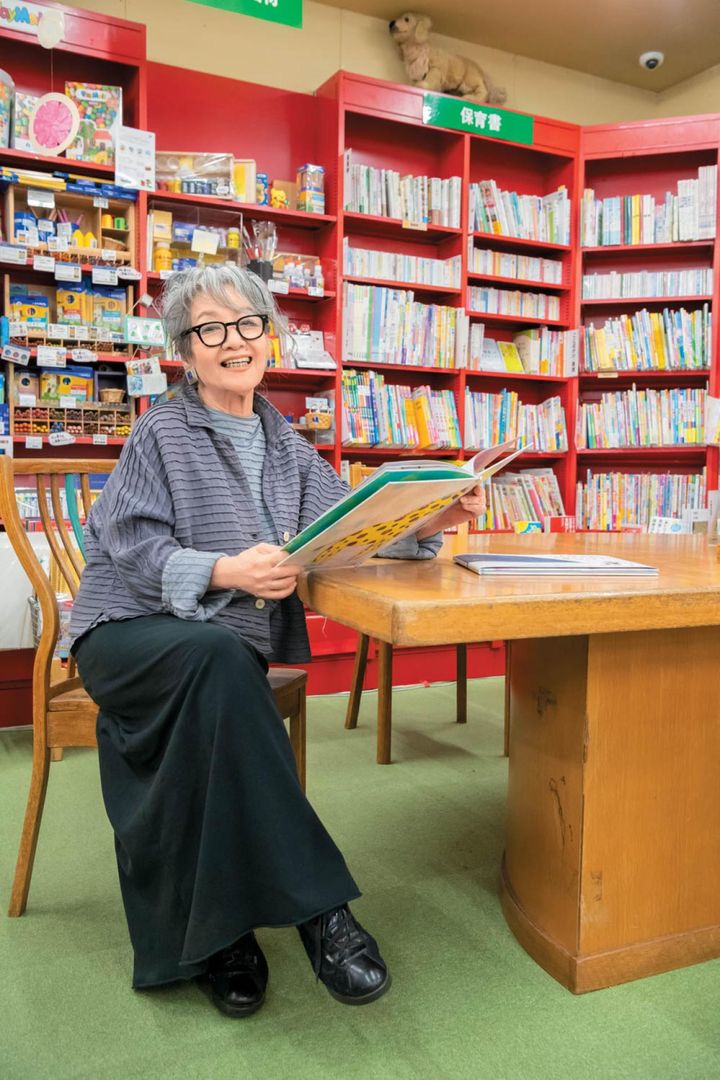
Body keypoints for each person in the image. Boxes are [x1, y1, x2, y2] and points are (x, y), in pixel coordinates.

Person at [69, 264, 486, 1018]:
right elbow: (130, 547)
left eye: (248, 323)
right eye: (210, 329)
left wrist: (432, 519)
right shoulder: (161, 430)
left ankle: (224, 939)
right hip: (125, 635)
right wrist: (225, 568)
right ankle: (322, 913)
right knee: (221, 662)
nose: (233, 341)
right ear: (185, 351)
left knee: (223, 674)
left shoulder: (285, 443)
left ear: (271, 337)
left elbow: (350, 529)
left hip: (219, 657)